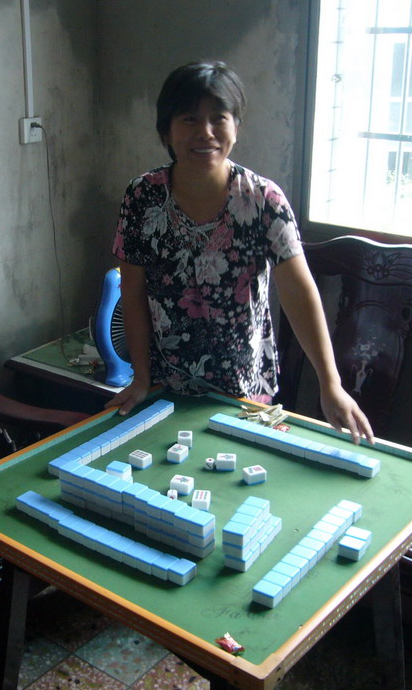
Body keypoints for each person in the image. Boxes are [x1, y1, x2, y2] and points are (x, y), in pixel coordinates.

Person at [105, 61, 373, 445]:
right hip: (166, 389)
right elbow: (131, 293)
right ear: (166, 129)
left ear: (236, 126)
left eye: (220, 118)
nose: (206, 133)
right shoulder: (142, 196)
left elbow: (300, 293)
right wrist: (141, 379)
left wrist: (330, 384)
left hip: (243, 392)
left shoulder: (263, 200)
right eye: (190, 119)